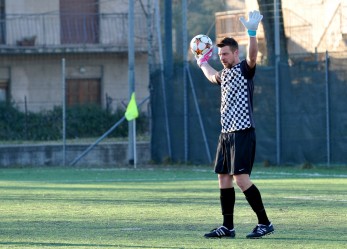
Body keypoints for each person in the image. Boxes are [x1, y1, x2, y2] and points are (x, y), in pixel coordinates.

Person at [194, 10, 274, 239]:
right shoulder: (225, 74)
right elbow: (211, 76)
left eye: (226, 54)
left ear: (235, 53)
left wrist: (251, 33)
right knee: (223, 178)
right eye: (220, 55)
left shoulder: (243, 70)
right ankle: (227, 227)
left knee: (241, 179)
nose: (222, 57)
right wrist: (202, 62)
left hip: (243, 132)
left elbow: (252, 56)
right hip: (226, 134)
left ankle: (265, 223)